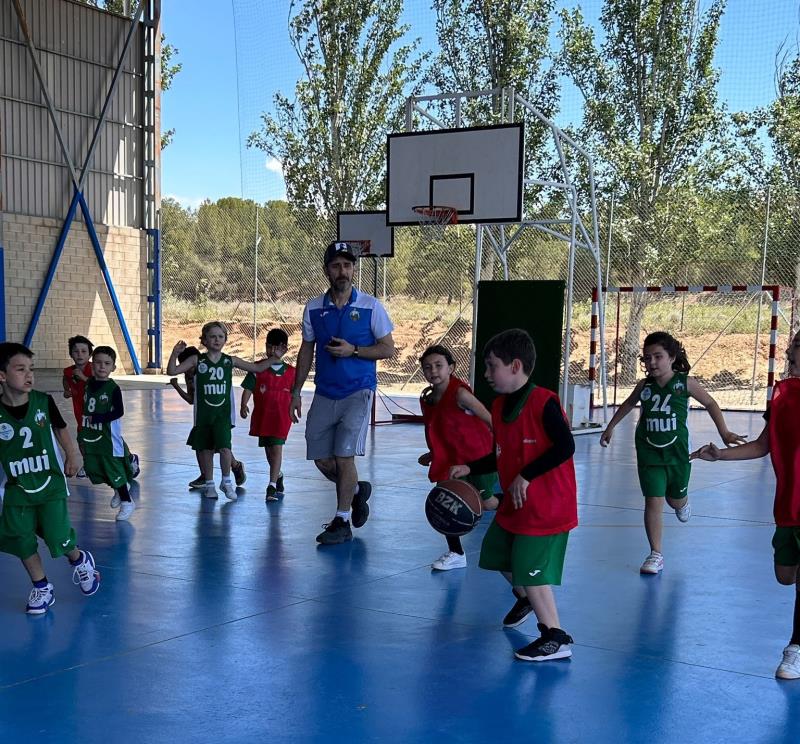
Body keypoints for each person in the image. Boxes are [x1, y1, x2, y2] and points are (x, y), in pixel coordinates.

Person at [450, 329, 577, 662]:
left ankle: (555, 636)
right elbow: (502, 452)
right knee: (495, 552)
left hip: (547, 505)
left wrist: (526, 475)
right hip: (516, 504)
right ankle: (524, 597)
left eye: (493, 366)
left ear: (515, 366)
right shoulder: (499, 405)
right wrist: (469, 466)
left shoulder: (544, 401)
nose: (487, 374)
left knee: (528, 567)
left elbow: (566, 446)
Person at [693, 330, 800, 680]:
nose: (793, 364)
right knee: (786, 576)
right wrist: (720, 455)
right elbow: (761, 446)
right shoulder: (782, 396)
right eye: (792, 358)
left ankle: (795, 647)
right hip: (788, 506)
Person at [600, 331, 745, 574]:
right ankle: (655, 554)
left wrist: (724, 432)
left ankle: (683, 502)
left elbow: (710, 403)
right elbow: (627, 404)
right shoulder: (643, 386)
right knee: (653, 501)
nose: (652, 362)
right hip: (649, 453)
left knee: (673, 500)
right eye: (647, 358)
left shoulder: (685, 383)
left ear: (672, 357)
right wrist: (611, 426)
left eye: (658, 356)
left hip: (677, 454)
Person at [291, 241, 395, 544]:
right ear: (326, 270)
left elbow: (388, 348)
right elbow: (306, 350)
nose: (343, 271)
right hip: (325, 392)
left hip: (358, 392)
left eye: (348, 265)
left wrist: (355, 350)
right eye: (336, 265)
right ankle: (357, 490)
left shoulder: (371, 307)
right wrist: (296, 390)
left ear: (353, 269)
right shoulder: (313, 308)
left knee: (344, 455)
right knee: (322, 460)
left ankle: (342, 520)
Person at [0, 342, 100, 614]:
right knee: (21, 539)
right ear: (2, 376)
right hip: (17, 487)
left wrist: (71, 455)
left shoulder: (43, 401)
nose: (29, 374)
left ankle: (79, 560)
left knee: (57, 537)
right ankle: (42, 586)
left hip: (50, 484)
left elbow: (61, 429)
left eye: (31, 369)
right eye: (21, 369)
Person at [166, 321, 273, 501]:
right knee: (206, 450)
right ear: (204, 340)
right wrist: (174, 353)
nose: (217, 340)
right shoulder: (196, 360)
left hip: (223, 415)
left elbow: (257, 368)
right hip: (203, 416)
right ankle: (209, 484)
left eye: (220, 336)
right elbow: (172, 371)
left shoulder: (229, 361)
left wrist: (275, 358)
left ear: (225, 340)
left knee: (225, 448)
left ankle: (226, 482)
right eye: (212, 336)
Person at [418, 344, 498, 571]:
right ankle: (456, 553)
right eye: (427, 367)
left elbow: (490, 419)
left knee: (487, 503)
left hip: (476, 457)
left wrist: (503, 446)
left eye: (438, 365)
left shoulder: (461, 394)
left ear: (451, 368)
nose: (433, 370)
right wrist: (433, 452)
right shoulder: (427, 398)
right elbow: (438, 428)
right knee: (446, 503)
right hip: (449, 462)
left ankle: (520, 508)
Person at [169, 345, 246, 490]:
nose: (188, 369)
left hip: (221, 414)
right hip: (203, 416)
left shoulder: (210, 368)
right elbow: (191, 399)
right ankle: (205, 475)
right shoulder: (189, 376)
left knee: (221, 444)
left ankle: (234, 466)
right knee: (200, 443)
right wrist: (177, 386)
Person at [63, 334, 140, 480]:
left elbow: (97, 385)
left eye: (84, 351)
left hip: (100, 410)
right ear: (70, 353)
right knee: (83, 438)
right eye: (76, 351)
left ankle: (129, 458)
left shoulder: (94, 369)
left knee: (110, 438)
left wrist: (83, 378)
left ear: (90, 355)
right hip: (81, 410)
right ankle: (88, 463)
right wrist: (67, 390)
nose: (80, 355)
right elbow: (66, 380)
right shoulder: (68, 371)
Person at [78, 346, 137, 520]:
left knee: (112, 468)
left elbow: (119, 411)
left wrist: (99, 418)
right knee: (93, 468)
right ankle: (119, 488)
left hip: (108, 436)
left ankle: (127, 501)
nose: (102, 367)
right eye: (98, 362)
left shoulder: (113, 388)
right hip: (90, 434)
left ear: (113, 367)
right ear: (92, 364)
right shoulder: (89, 383)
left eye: (106, 363)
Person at [240, 328, 295, 501]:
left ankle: (271, 485)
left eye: (276, 348)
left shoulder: (291, 372)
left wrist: (296, 405)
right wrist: (244, 403)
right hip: (263, 416)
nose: (272, 351)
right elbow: (248, 387)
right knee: (269, 450)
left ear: (284, 349)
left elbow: (296, 393)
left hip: (281, 417)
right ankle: (277, 474)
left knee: (277, 448)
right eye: (269, 347)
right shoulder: (258, 368)